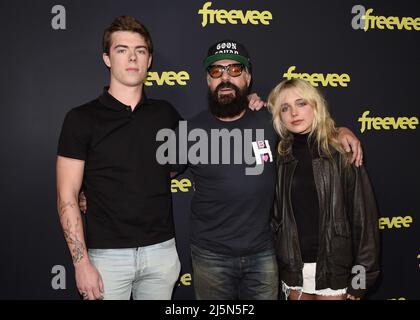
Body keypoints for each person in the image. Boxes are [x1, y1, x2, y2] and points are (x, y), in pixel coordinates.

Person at [168, 40, 363, 300]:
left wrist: (340, 131)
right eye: (216, 71)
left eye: (235, 70)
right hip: (210, 256)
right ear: (208, 80)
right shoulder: (189, 131)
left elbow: (308, 128)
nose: (225, 77)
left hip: (264, 253)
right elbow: (154, 176)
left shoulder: (270, 120)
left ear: (247, 78)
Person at [56, 16, 181, 300]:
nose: (132, 57)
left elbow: (180, 163)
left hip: (161, 253)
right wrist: (81, 262)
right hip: (105, 259)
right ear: (107, 58)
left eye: (140, 50)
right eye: (122, 49)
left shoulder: (167, 114)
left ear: (149, 59)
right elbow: (67, 195)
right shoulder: (81, 119)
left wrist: (249, 105)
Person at [267, 79, 380, 300]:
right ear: (279, 116)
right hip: (294, 269)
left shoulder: (342, 152)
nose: (294, 113)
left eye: (301, 103)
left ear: (316, 106)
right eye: (285, 108)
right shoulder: (280, 156)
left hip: (335, 269)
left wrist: (361, 280)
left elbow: (364, 220)